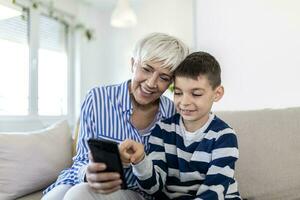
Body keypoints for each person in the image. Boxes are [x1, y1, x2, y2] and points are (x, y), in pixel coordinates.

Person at [42, 32, 189, 200]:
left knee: (79, 195)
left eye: (163, 77)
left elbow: (167, 173)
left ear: (171, 83)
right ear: (133, 64)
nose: (151, 83)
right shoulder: (97, 98)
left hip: (136, 191)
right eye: (146, 69)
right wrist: (87, 174)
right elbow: (82, 159)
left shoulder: (171, 112)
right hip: (80, 181)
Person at [119, 51, 241, 199]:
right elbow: (153, 188)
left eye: (196, 94)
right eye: (178, 93)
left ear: (217, 93)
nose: (184, 102)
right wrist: (140, 161)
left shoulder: (224, 136)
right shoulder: (162, 131)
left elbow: (214, 192)